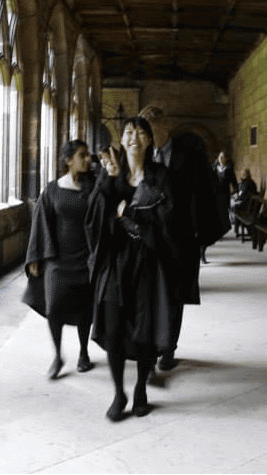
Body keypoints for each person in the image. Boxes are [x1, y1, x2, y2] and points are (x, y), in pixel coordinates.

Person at [86, 117, 175, 421]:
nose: (133, 136)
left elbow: (168, 221)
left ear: (150, 140)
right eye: (127, 132)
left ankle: (139, 389)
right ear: (121, 141)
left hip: (148, 263)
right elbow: (96, 216)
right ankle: (118, 392)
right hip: (115, 262)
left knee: (144, 330)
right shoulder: (112, 173)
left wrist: (128, 220)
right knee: (112, 329)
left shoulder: (161, 176)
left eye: (140, 132)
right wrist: (110, 180)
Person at [138, 105, 226, 370]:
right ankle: (153, 344)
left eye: (151, 129)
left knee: (174, 296)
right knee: (150, 295)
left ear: (164, 127)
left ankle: (169, 349)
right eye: (144, 131)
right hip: (149, 239)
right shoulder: (141, 157)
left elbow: (207, 193)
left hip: (180, 240)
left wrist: (201, 232)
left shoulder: (189, 155)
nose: (147, 135)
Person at [21, 139, 96, 379]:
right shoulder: (53, 189)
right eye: (82, 155)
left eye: (88, 155)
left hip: (86, 258)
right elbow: (40, 222)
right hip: (57, 260)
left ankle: (84, 352)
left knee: (85, 308)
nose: (88, 159)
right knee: (54, 308)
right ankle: (57, 355)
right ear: (68, 160)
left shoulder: (94, 186)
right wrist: (35, 257)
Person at [202, 150, 237, 264]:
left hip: (224, 197)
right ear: (217, 158)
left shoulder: (229, 170)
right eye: (220, 157)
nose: (221, 159)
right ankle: (203, 250)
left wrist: (236, 192)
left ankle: (217, 232)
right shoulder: (213, 168)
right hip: (213, 198)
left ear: (226, 159)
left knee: (224, 221)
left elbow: (234, 182)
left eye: (224, 157)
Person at [231, 168, 258, 237]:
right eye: (242, 174)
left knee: (235, 207)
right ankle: (238, 228)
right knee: (234, 206)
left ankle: (237, 228)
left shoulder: (248, 183)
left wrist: (237, 200)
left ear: (248, 174)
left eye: (244, 174)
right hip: (246, 203)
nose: (242, 175)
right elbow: (240, 192)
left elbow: (244, 195)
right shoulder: (245, 182)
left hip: (248, 205)